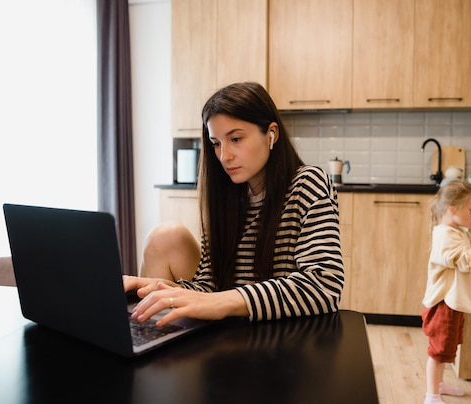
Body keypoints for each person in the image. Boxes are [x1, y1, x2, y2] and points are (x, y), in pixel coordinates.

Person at [124, 81, 344, 324]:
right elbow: (208, 288)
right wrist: (162, 288)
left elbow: (325, 286)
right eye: (216, 143)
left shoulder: (307, 183)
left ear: (271, 134)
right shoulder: (226, 196)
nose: (224, 156)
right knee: (163, 236)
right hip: (235, 331)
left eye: (236, 139)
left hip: (284, 335)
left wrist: (223, 300)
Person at [422, 180, 471, 404]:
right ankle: (432, 397)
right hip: (443, 303)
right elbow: (468, 262)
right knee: (438, 351)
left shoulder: (458, 231)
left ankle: (439, 384)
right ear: (452, 209)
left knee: (447, 348)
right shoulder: (445, 236)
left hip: (453, 302)